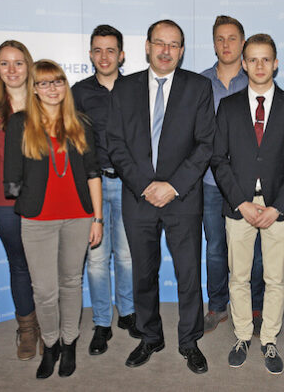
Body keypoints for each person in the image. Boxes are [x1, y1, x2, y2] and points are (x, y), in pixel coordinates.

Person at [107, 19, 215, 374]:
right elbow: (116, 144)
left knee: (188, 273)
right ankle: (150, 337)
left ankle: (189, 341)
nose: (166, 51)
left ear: (182, 51)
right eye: (160, 43)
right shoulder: (123, 89)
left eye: (174, 44)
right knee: (143, 272)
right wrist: (144, 185)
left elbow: (205, 144)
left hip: (182, 198)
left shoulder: (198, 87)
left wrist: (172, 186)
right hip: (138, 198)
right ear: (148, 47)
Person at [212, 34, 284, 375]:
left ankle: (268, 338)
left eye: (265, 59)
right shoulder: (228, 106)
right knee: (237, 277)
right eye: (252, 59)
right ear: (243, 63)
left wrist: (277, 206)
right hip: (238, 206)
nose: (259, 65)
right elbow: (218, 160)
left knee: (274, 278)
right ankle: (241, 335)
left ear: (276, 63)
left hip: (277, 209)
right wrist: (240, 202)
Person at [3, 59, 103, 379]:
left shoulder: (81, 123)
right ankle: (51, 344)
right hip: (37, 219)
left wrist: (97, 219)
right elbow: (11, 176)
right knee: (44, 289)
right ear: (33, 88)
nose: (51, 88)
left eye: (57, 81)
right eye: (43, 83)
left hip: (79, 216)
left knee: (71, 283)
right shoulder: (20, 124)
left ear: (65, 86)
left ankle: (70, 342)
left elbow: (93, 174)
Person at [72, 24, 140, 356]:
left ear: (122, 54)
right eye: (97, 50)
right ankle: (102, 322)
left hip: (128, 185)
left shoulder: (137, 89)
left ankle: (127, 313)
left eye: (110, 50)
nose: (104, 56)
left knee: (126, 256)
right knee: (97, 260)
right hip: (92, 187)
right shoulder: (79, 92)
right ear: (90, 55)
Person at [0, 40, 41, 360]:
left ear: (29, 65)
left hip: (45, 200)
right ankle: (27, 330)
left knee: (46, 266)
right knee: (20, 265)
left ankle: (51, 326)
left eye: (18, 62)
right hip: (5, 201)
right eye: (4, 63)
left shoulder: (46, 102)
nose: (12, 70)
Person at [200, 15, 265, 335]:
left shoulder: (256, 80)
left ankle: (255, 305)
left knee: (253, 252)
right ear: (214, 44)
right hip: (210, 183)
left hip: (249, 183)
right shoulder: (198, 82)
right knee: (215, 247)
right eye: (220, 39)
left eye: (232, 38)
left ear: (243, 42)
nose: (226, 45)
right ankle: (217, 305)